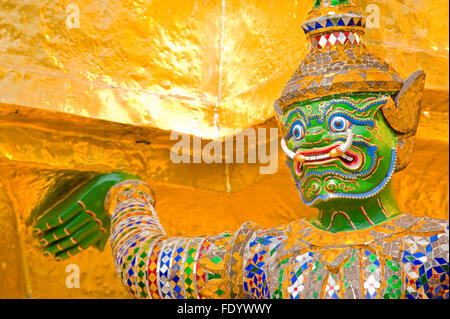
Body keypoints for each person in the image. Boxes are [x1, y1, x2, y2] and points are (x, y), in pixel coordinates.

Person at [32, 0, 449, 299]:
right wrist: (125, 194)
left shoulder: (434, 255)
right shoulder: (267, 259)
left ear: (401, 128)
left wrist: (124, 195)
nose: (315, 144)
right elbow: (147, 267)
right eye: (299, 131)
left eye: (339, 123)